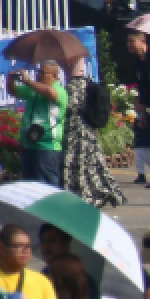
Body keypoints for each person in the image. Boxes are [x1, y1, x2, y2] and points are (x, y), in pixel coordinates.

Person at [62, 56, 125, 208]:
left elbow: (71, 107)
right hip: (89, 130)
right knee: (94, 163)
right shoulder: (88, 83)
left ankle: (86, 195)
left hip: (76, 130)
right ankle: (104, 191)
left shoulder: (73, 86)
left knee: (77, 162)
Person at [13, 62, 68, 189]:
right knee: (30, 189)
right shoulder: (34, 89)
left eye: (43, 72)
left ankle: (52, 209)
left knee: (47, 189)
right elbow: (13, 91)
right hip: (29, 144)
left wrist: (28, 81)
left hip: (48, 147)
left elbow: (49, 93)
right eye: (38, 72)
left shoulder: (60, 90)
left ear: (54, 75)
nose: (39, 75)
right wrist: (10, 80)